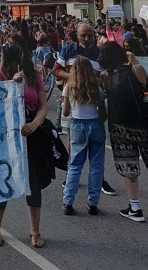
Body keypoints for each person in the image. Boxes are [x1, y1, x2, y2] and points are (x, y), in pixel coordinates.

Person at [99, 42, 148, 222]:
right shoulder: (137, 69)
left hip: (120, 128)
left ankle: (135, 207)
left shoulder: (105, 75)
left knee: (129, 167)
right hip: (146, 126)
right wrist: (133, 62)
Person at [0, 43, 49, 249]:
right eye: (10, 60)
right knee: (4, 180)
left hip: (29, 132)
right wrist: (12, 86)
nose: (13, 64)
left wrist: (34, 124)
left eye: (17, 60)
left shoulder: (34, 75)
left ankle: (35, 231)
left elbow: (43, 106)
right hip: (6, 134)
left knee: (33, 182)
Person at [54, 22, 117, 197]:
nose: (87, 39)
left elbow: (107, 74)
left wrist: (97, 81)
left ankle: (100, 180)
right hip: (72, 99)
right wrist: (74, 78)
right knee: (71, 142)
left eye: (90, 35)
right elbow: (56, 70)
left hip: (93, 100)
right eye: (83, 36)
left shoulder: (99, 52)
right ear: (77, 35)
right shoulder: (68, 50)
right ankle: (70, 177)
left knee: (96, 149)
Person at [62, 57, 106, 216]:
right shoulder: (97, 88)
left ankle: (68, 201)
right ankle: (93, 203)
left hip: (78, 125)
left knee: (75, 164)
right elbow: (102, 112)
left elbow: (66, 112)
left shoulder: (69, 87)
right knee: (96, 165)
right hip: (95, 124)